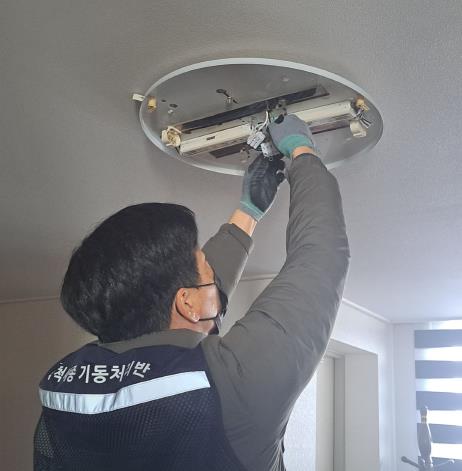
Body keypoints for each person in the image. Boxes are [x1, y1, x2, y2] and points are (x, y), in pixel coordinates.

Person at [33, 115, 350, 471]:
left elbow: (191, 303)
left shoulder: (68, 381)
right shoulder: (235, 385)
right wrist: (303, 152)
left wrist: (247, 213)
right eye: (206, 268)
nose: (212, 273)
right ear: (186, 302)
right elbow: (319, 259)